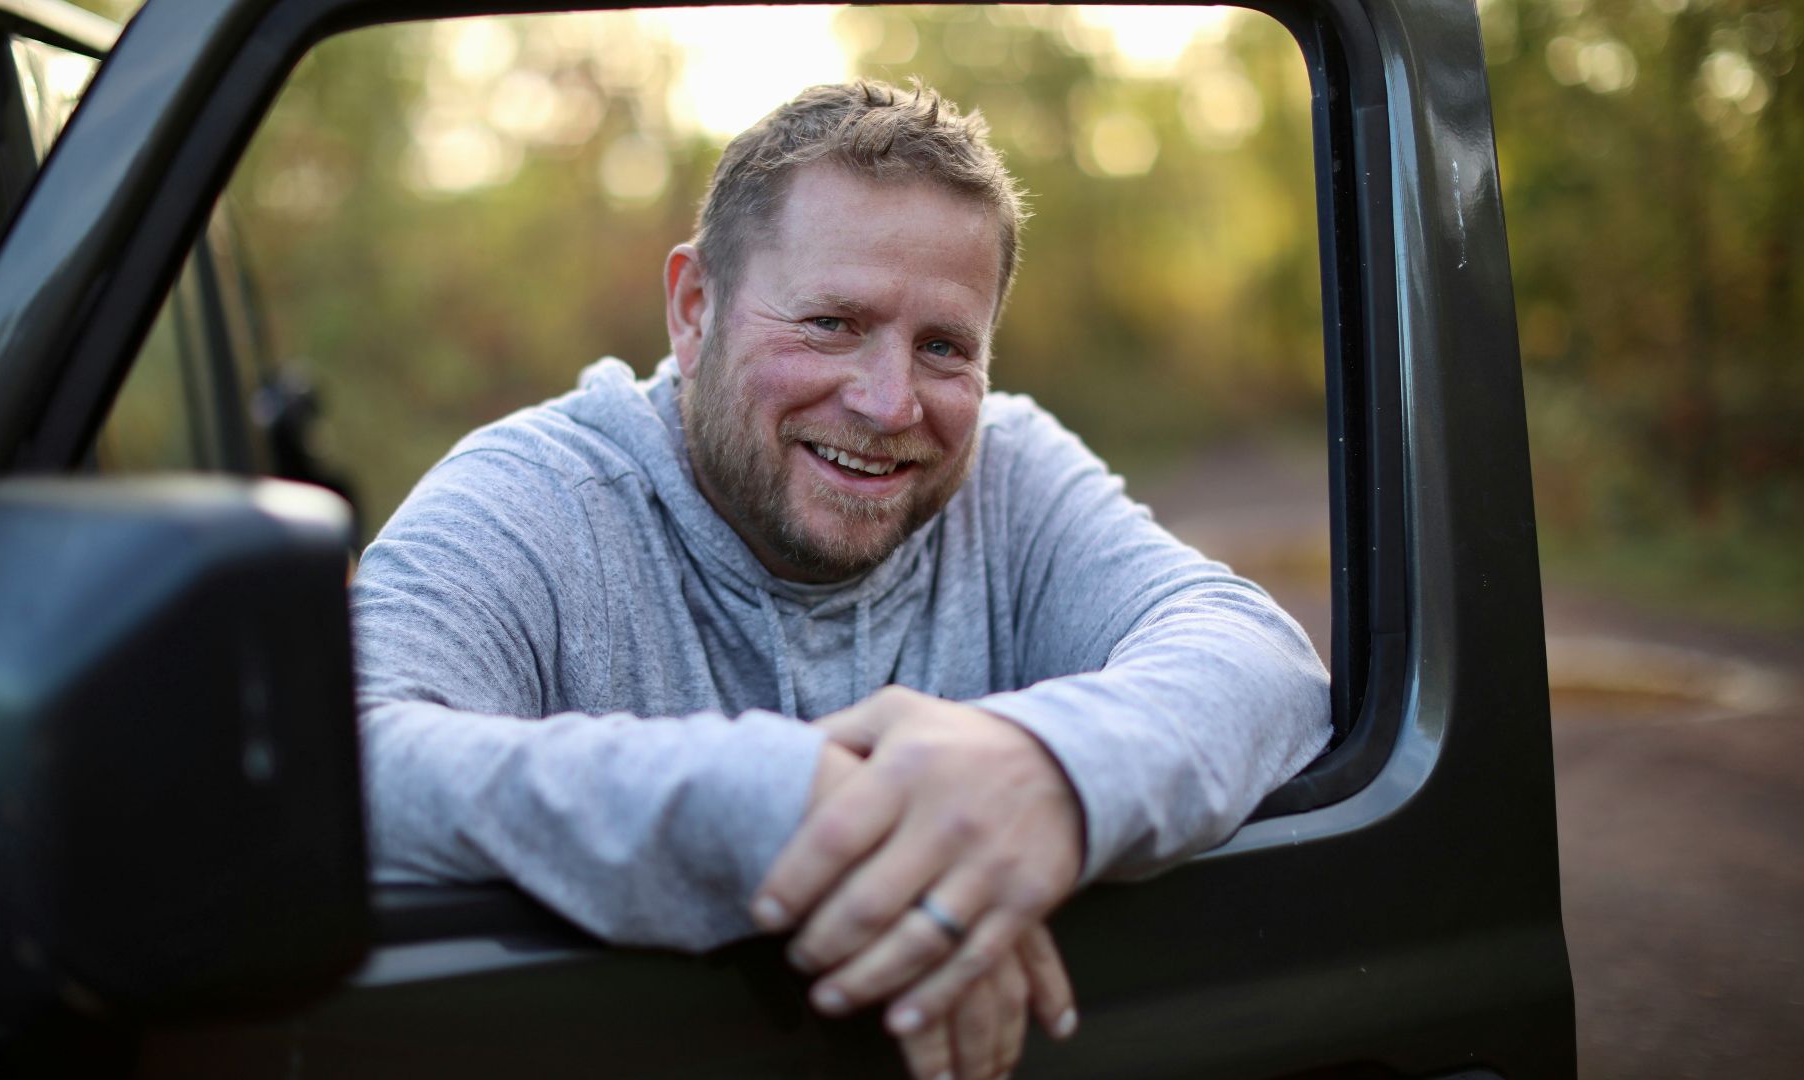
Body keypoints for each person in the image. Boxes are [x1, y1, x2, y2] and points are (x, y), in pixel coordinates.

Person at [351, 79, 1331, 1080]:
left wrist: (1042, 775)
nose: (888, 399)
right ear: (695, 309)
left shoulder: (1010, 475)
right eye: (829, 323)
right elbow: (351, 757)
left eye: (944, 347)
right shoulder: (535, 499)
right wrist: (783, 803)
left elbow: (1261, 662)